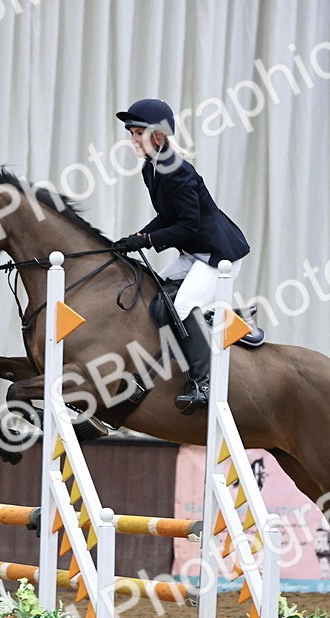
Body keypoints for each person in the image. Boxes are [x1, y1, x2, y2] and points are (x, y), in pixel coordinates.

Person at [112, 98, 250, 413]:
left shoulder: (178, 172)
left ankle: (205, 382)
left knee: (183, 306)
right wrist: (137, 237)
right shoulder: (151, 169)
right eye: (131, 132)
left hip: (219, 258)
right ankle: (182, 356)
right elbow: (167, 217)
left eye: (136, 132)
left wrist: (146, 240)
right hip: (195, 253)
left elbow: (189, 224)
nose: (132, 138)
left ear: (157, 137)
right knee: (157, 295)